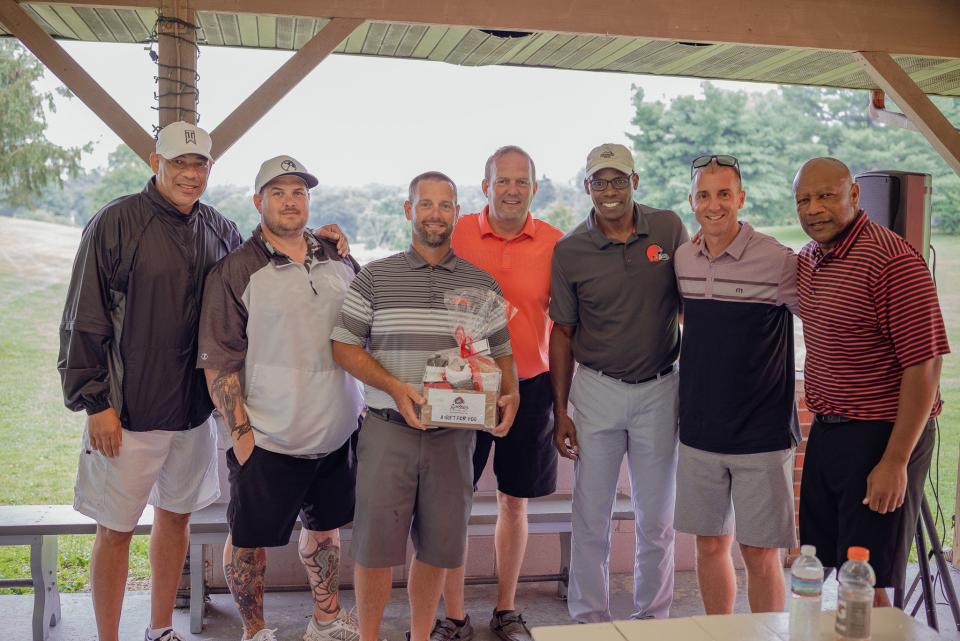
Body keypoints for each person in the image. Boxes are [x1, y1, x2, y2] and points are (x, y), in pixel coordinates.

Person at [57, 121, 346, 641]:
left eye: (199, 164)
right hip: (127, 411)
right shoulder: (115, 222)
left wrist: (325, 237)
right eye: (179, 163)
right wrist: (93, 401)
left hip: (194, 413)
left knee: (175, 521)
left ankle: (161, 628)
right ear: (155, 162)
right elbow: (85, 317)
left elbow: (263, 269)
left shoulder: (220, 228)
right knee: (116, 530)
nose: (190, 174)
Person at [330, 171, 519, 641]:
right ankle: (369, 636)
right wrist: (396, 387)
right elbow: (343, 347)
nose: (436, 214)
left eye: (446, 205)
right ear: (408, 209)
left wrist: (510, 393)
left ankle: (419, 635)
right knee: (374, 551)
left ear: (458, 212)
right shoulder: (375, 276)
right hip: (387, 429)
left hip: (454, 436)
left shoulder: (480, 283)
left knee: (438, 549)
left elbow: (501, 353)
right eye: (426, 204)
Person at [198, 155, 363, 641]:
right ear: (258, 202)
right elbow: (219, 362)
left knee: (326, 531)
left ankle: (326, 619)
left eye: (299, 192)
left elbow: (364, 329)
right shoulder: (235, 270)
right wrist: (243, 437)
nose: (290, 201)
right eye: (278, 192)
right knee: (248, 543)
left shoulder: (338, 259)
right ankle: (255, 630)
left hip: (335, 433)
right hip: (267, 439)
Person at [793, 157, 949, 605]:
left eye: (826, 196)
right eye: (804, 199)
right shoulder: (809, 259)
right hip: (829, 432)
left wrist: (896, 460)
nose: (813, 209)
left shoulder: (893, 261)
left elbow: (925, 365)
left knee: (868, 580)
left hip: (882, 436)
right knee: (832, 569)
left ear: (854, 196)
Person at [549, 143, 688, 622]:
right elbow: (562, 334)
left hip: (660, 389)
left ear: (635, 181)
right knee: (591, 518)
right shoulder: (570, 250)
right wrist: (559, 411)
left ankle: (652, 620)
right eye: (599, 182)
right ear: (586, 186)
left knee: (658, 521)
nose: (609, 191)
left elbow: (692, 308)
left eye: (618, 180)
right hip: (597, 391)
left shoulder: (668, 227)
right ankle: (589, 619)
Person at [430, 146, 562, 641]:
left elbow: (568, 323)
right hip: (461, 387)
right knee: (451, 503)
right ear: (485, 186)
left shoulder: (554, 243)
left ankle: (506, 610)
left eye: (521, 181)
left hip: (529, 387)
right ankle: (454, 615)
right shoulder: (457, 231)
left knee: (515, 503)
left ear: (534, 186)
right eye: (501, 181)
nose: (511, 190)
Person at [673, 154, 800, 614]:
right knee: (709, 547)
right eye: (704, 195)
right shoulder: (683, 258)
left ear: (740, 198)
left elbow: (829, 320)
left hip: (762, 436)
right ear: (692, 201)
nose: (714, 205)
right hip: (700, 433)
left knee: (760, 555)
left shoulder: (778, 261)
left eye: (724, 194)